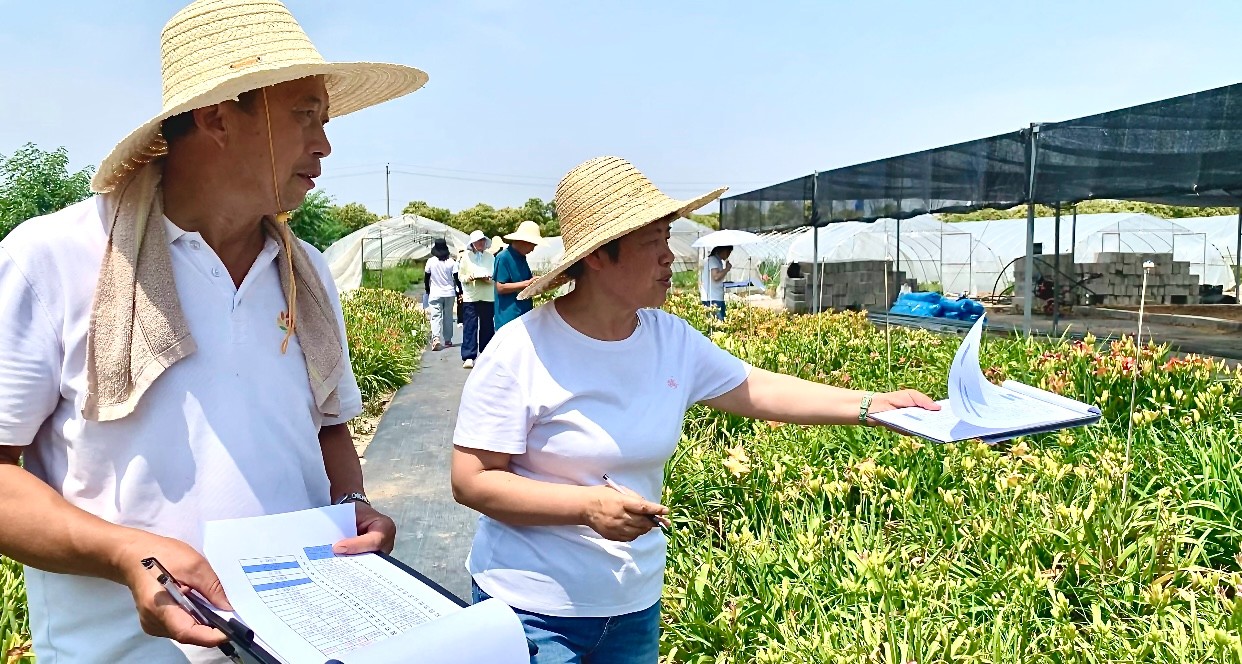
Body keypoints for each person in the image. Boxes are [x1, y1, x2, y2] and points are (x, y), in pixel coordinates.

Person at [0, 1, 427, 662]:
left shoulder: (302, 273)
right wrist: (124, 554)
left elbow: (327, 429)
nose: (324, 145)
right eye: (305, 115)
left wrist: (352, 503)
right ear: (219, 116)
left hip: (296, 644)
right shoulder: (57, 259)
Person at [450, 156, 939, 663]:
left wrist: (871, 405)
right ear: (597, 256)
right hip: (533, 612)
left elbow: (755, 388)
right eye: (653, 242)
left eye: (668, 239)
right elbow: (472, 480)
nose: (670, 257)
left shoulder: (669, 339)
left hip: (632, 606)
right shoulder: (522, 349)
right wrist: (585, 507)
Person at [493, 220, 544, 330]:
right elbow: (500, 287)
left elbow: (525, 281)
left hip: (523, 314)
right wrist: (527, 283)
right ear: (524, 242)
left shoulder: (522, 258)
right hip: (508, 318)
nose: (532, 250)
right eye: (533, 245)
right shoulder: (503, 257)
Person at [458, 230, 496, 368]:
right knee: (470, 326)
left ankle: (486, 353)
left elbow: (495, 275)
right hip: (471, 296)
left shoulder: (490, 257)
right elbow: (461, 276)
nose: (481, 243)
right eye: (478, 241)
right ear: (472, 243)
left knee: (487, 326)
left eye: (482, 240)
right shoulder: (466, 257)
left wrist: (488, 279)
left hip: (487, 296)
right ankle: (469, 356)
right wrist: (469, 278)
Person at [424, 237, 460, 351]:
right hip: (449, 293)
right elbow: (456, 278)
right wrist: (460, 292)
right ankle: (448, 340)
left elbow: (426, 278)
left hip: (435, 293)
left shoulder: (431, 261)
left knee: (435, 316)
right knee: (448, 316)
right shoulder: (451, 262)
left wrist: (428, 290)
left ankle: (436, 339)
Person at [700, 244, 733, 320]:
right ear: (723, 251)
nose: (729, 255)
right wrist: (727, 269)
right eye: (729, 252)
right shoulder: (712, 260)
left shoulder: (717, 261)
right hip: (712, 298)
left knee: (719, 322)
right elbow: (716, 276)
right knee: (717, 323)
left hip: (715, 297)